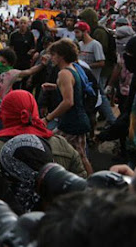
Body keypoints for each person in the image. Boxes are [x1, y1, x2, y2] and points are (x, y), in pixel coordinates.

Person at [0, 90, 86, 212]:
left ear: (5, 115)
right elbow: (81, 190)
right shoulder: (62, 145)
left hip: (9, 225)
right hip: (55, 224)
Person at [42, 39, 93, 174]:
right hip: (77, 120)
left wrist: (48, 118)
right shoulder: (74, 68)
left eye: (53, 55)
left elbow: (68, 101)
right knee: (81, 156)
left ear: (61, 56)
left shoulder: (64, 73)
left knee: (48, 147)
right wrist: (55, 87)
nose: (51, 58)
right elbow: (75, 88)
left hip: (71, 122)